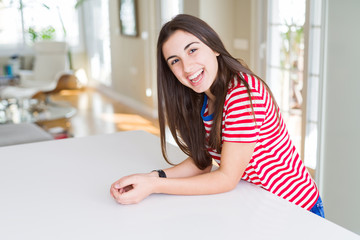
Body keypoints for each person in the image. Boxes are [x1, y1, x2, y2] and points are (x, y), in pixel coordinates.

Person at [110, 14, 325, 218]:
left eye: (192, 50)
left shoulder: (242, 94)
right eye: (175, 61)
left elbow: (226, 178)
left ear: (213, 47)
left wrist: (155, 187)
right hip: (260, 204)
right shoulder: (205, 98)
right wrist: (152, 177)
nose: (187, 67)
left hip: (296, 210)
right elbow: (202, 162)